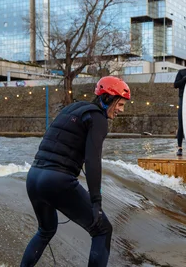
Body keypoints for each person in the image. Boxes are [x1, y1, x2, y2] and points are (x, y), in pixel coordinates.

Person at [20, 76, 130, 267]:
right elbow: (92, 160)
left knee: (46, 229)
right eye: (119, 104)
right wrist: (96, 201)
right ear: (107, 99)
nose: (121, 110)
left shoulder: (71, 109)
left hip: (34, 177)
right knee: (102, 230)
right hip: (57, 180)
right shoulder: (98, 118)